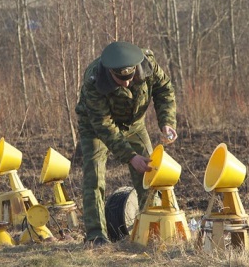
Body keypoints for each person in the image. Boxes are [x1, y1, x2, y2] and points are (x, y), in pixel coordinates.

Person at [75, 41, 177, 247]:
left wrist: (166, 122)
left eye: (130, 78)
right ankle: (96, 236)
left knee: (151, 171)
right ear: (110, 72)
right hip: (96, 128)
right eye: (120, 79)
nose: (127, 83)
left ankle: (153, 229)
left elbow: (164, 90)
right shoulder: (94, 79)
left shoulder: (148, 64)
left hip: (134, 124)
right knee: (94, 176)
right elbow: (104, 125)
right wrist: (130, 157)